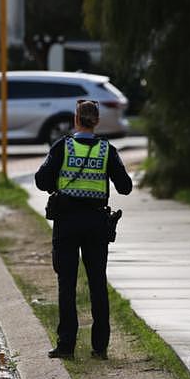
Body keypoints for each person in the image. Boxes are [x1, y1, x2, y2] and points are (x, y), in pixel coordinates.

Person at [34, 99, 132, 360]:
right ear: (96, 121)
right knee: (97, 284)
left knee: (66, 284)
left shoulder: (62, 147)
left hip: (66, 223)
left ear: (76, 120)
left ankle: (66, 346)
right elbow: (125, 187)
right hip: (96, 224)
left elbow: (41, 180)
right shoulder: (106, 150)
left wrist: (59, 182)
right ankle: (100, 347)